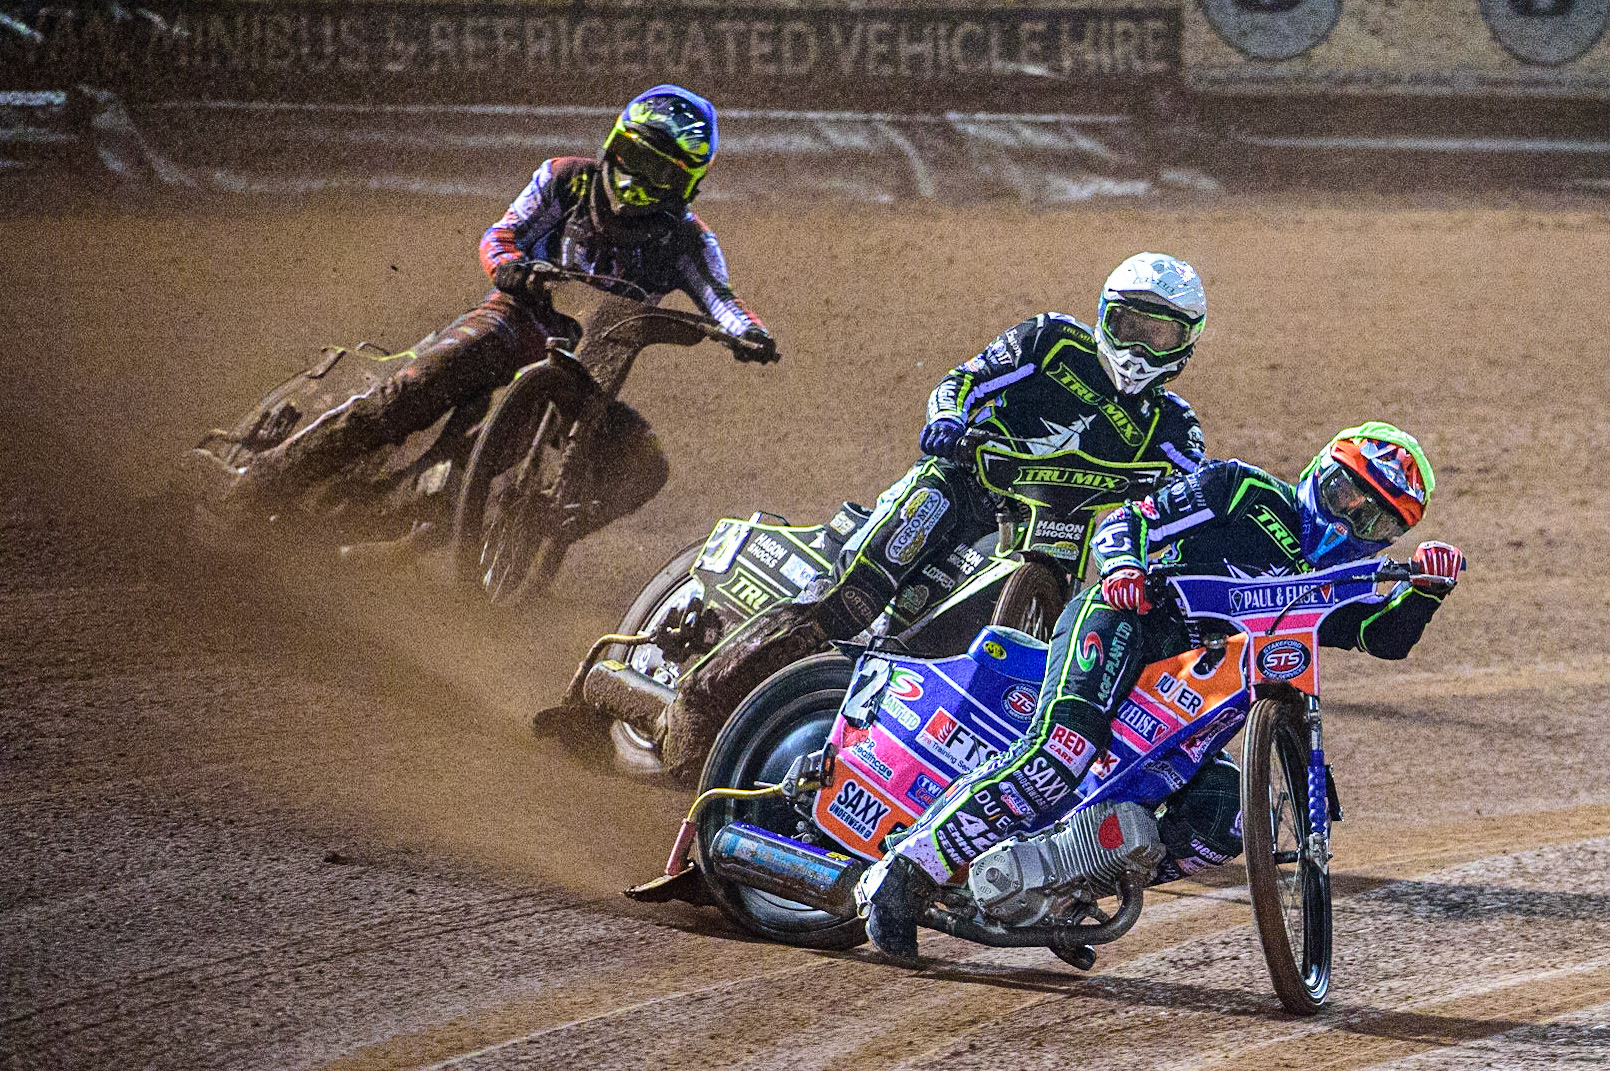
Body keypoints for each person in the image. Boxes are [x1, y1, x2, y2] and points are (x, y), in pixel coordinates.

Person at [854, 421, 1466, 966]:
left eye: (1376, 519)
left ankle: (1063, 889)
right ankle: (905, 872)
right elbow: (1131, 520)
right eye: (1346, 495)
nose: (1350, 521)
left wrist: (1430, 587)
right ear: (1318, 474)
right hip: (1126, 624)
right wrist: (1124, 568)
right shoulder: (1241, 490)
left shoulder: (1334, 582)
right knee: (1061, 751)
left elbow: (1380, 635)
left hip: (1188, 699)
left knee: (1223, 818)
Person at [659, 252, 1211, 781]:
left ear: (1185, 345)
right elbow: (962, 381)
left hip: (1055, 546)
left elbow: (1190, 508)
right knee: (851, 600)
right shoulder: (1050, 342)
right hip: (961, 490)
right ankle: (702, 699)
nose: (1139, 346)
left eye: (1159, 334)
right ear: (1103, 316)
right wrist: (948, 420)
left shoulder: (1175, 429)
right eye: (1130, 323)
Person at [193, 84, 776, 528]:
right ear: (612, 145)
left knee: (643, 466)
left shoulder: (690, 241)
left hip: (588, 372)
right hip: (515, 319)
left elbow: (721, 300)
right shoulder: (565, 179)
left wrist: (749, 333)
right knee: (411, 391)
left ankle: (533, 529)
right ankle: (262, 483)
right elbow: (501, 235)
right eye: (632, 158)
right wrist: (510, 268)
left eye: (658, 174)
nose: (633, 182)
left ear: (686, 185)